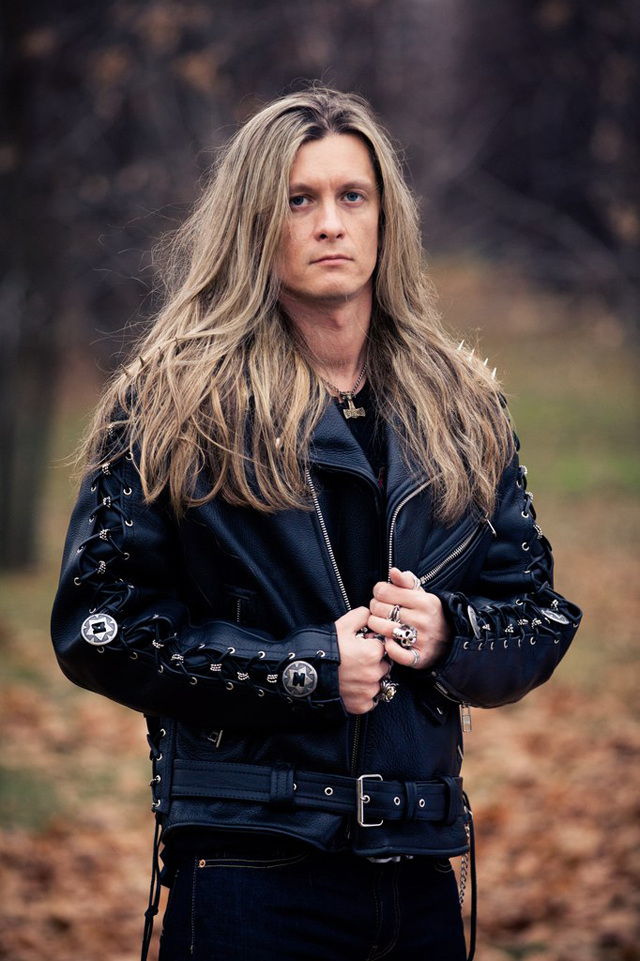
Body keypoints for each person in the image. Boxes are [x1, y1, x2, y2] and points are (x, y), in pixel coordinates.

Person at [51, 87, 582, 961]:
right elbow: (99, 625)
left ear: (385, 218)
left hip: (419, 868)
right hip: (246, 869)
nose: (330, 223)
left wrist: (451, 633)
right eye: (299, 200)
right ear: (254, 222)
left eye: (351, 196)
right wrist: (301, 668)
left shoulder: (464, 407)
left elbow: (538, 613)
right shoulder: (174, 403)